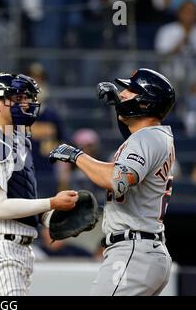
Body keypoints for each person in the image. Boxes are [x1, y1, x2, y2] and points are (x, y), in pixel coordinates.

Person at [49, 68, 175, 296]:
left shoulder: (147, 137)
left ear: (146, 103)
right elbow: (133, 142)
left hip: (133, 250)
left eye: (131, 90)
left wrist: (77, 155)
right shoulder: (155, 136)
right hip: (147, 249)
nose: (123, 93)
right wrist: (119, 104)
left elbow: (117, 180)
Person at [0, 73, 79, 296]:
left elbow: (23, 198)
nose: (26, 104)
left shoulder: (17, 140)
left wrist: (54, 216)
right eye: (17, 99)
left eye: (27, 98)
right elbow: (0, 207)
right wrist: (51, 201)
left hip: (18, 248)